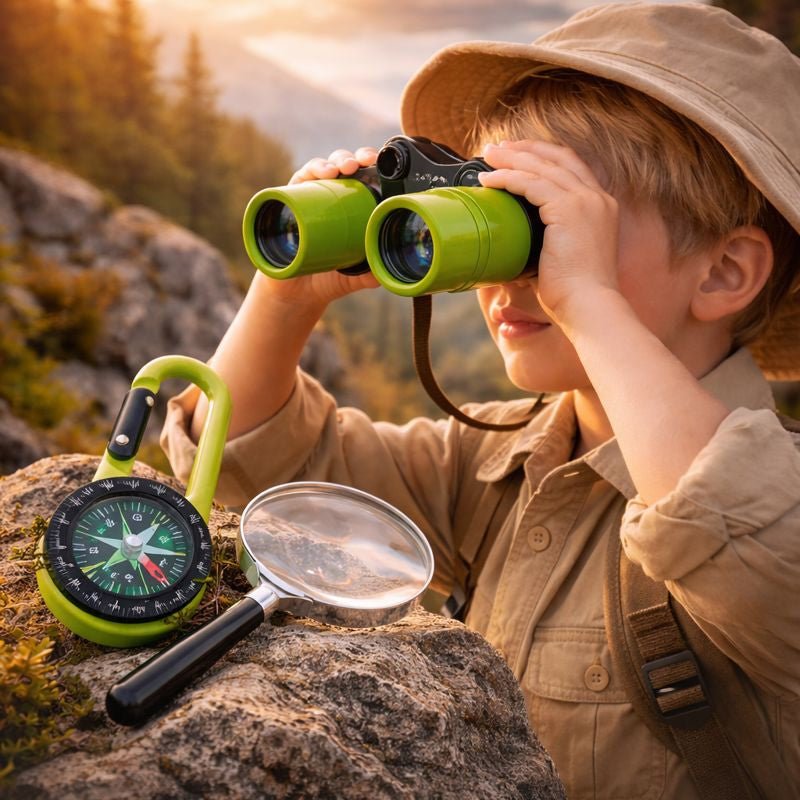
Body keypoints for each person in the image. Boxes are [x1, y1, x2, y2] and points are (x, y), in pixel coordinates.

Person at [161, 3, 800, 797]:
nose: (507, 275)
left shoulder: (782, 501)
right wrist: (285, 297)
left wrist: (589, 300)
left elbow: (738, 523)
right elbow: (259, 472)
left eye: (548, 221)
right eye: (488, 214)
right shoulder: (495, 469)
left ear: (723, 272)